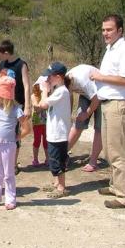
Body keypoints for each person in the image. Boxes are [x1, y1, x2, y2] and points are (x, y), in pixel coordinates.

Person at [90, 14, 125, 209]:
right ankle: (117, 186)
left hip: (120, 105)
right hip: (109, 104)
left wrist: (101, 77)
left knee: (120, 151)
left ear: (120, 30)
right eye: (103, 30)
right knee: (110, 150)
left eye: (109, 29)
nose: (105, 33)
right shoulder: (111, 49)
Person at [0, 76, 30, 210]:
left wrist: (16, 137)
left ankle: (10, 199)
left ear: (4, 95)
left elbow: (27, 128)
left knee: (9, 174)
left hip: (9, 146)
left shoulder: (16, 110)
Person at [0, 40, 30, 175]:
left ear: (6, 52)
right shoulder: (2, 64)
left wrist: (27, 106)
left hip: (17, 103)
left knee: (15, 133)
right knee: (1, 131)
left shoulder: (21, 64)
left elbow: (26, 86)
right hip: (2, 103)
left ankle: (13, 164)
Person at [38, 62, 71, 198]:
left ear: (58, 77)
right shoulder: (58, 90)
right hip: (54, 133)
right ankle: (56, 183)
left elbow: (43, 104)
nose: (48, 80)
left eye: (50, 77)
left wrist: (45, 90)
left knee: (58, 161)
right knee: (53, 159)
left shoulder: (62, 91)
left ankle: (62, 187)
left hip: (59, 134)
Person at [65, 64, 102, 172]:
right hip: (86, 95)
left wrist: (86, 113)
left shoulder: (82, 80)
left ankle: (93, 162)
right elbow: (69, 95)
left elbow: (96, 98)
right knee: (78, 123)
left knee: (99, 129)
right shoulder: (66, 80)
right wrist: (69, 113)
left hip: (101, 95)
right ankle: (62, 155)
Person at [30, 77, 48, 166]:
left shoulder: (46, 95)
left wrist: (45, 95)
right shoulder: (33, 96)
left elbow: (46, 106)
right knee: (37, 141)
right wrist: (43, 100)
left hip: (46, 121)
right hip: (37, 122)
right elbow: (37, 108)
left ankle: (48, 159)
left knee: (46, 141)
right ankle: (35, 160)